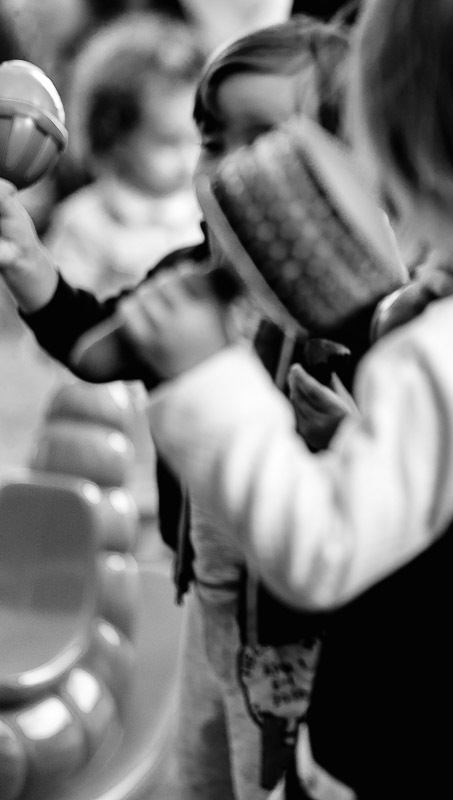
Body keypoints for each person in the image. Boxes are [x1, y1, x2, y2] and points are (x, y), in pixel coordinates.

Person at [112, 0, 453, 797]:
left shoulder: (442, 359)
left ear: (411, 133)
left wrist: (205, 376)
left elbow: (316, 551)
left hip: (416, 757)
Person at [0, 15, 371, 800]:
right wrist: (32, 267)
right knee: (201, 769)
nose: (227, 168)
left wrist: (348, 431)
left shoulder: (357, 307)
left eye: (264, 140)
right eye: (213, 138)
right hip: (209, 601)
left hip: (300, 636)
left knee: (275, 777)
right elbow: (100, 346)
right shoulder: (192, 273)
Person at [44, 11, 206, 297]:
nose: (188, 158)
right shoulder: (85, 224)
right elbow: (60, 313)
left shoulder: (204, 209)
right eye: (169, 142)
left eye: (197, 138)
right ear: (115, 137)